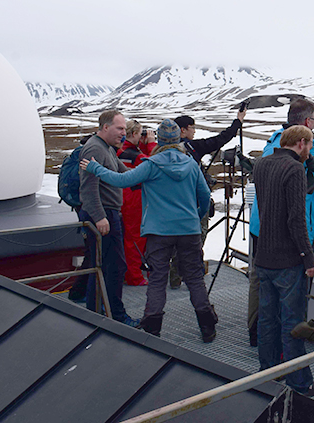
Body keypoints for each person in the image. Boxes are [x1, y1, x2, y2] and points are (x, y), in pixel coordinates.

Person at [81, 119, 218, 342]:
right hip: (188, 230)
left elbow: (122, 180)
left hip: (159, 232)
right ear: (177, 141)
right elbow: (204, 196)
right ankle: (207, 327)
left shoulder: (151, 164)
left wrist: (95, 167)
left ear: (160, 141)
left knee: (157, 279)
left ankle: (153, 328)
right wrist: (196, 215)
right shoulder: (191, 164)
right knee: (194, 278)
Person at [247, 97, 314, 346]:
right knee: (291, 289)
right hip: (290, 231)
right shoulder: (303, 150)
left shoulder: (275, 141)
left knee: (260, 281)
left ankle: (257, 334)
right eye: (313, 120)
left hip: (262, 224)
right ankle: (289, 349)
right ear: (305, 122)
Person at [253, 125, 314, 397]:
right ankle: (300, 382)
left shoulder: (261, 164)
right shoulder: (295, 169)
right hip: (287, 261)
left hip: (263, 256)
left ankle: (268, 374)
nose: (310, 151)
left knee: (267, 320)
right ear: (301, 143)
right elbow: (296, 220)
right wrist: (309, 259)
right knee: (293, 323)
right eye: (309, 145)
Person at [169, 108, 246, 289]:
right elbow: (220, 139)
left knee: (178, 240)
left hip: (175, 205)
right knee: (196, 239)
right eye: (191, 128)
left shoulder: (163, 151)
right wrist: (238, 121)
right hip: (194, 204)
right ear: (182, 130)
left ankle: (174, 276)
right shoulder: (192, 148)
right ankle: (192, 278)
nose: (194, 131)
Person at [77, 110, 139, 327]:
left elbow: (124, 175)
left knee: (105, 265)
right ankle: (114, 316)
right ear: (105, 127)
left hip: (110, 213)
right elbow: (88, 188)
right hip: (103, 216)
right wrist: (100, 216)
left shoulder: (107, 149)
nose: (124, 133)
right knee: (112, 267)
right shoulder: (95, 148)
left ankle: (99, 312)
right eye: (120, 128)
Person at [117, 120, 156, 286]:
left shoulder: (121, 150)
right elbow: (155, 165)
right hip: (133, 197)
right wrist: (152, 143)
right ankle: (134, 276)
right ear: (133, 135)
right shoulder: (133, 155)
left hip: (125, 195)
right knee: (135, 238)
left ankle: (131, 271)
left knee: (129, 236)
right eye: (140, 134)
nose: (143, 137)